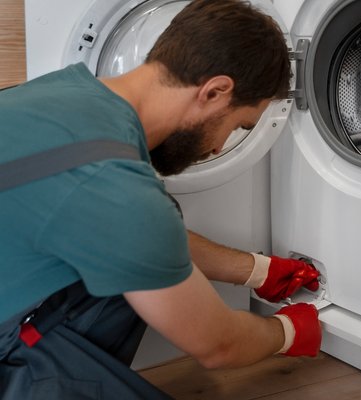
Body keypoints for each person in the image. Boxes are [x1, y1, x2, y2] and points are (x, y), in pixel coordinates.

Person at [0, 0, 321, 398]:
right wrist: (289, 331)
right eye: (239, 125)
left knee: (159, 215)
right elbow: (219, 345)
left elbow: (133, 237)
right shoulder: (112, 182)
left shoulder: (65, 93)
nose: (221, 147)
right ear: (216, 91)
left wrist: (257, 271)